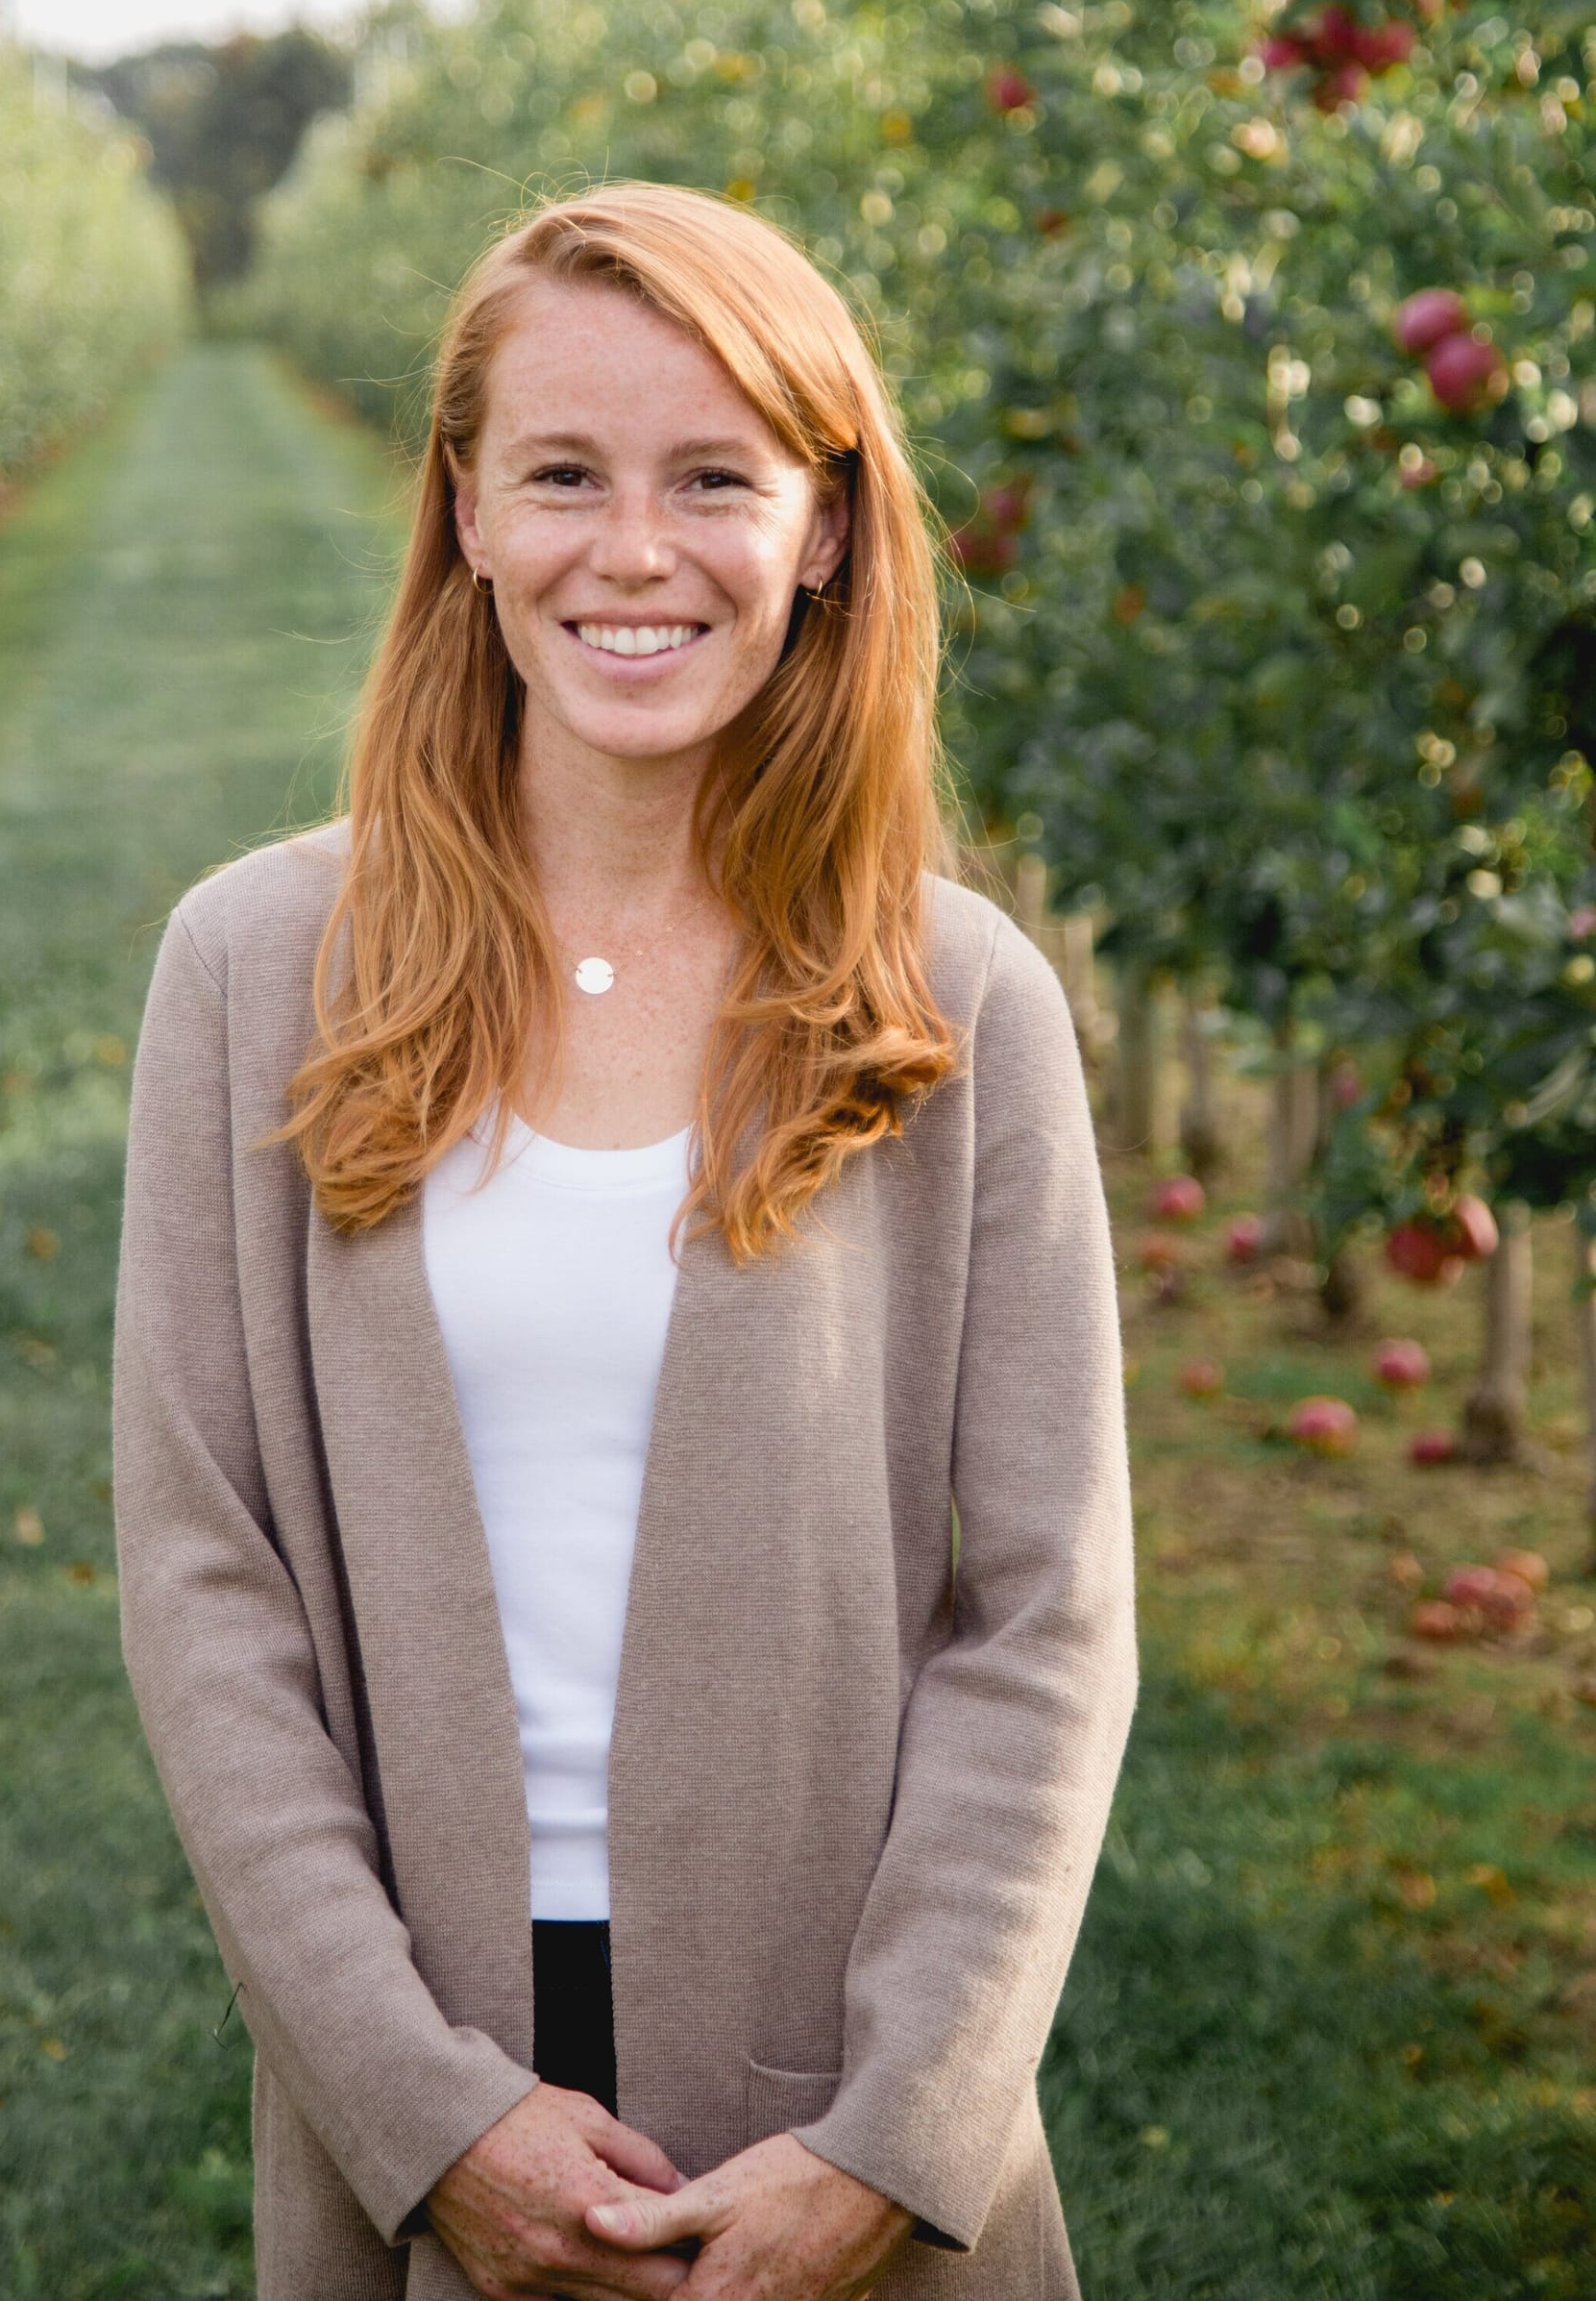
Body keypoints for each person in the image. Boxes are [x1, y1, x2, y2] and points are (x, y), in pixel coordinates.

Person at [111, 181, 1137, 2301]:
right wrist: (423, 2110)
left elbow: (1046, 1617)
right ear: (466, 506)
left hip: (833, 2079)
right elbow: (208, 1593)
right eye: (563, 474)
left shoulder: (954, 1001)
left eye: (714, 479)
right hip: (430, 2042)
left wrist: (897, 2133)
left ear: (825, 526)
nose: (635, 552)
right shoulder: (252, 968)